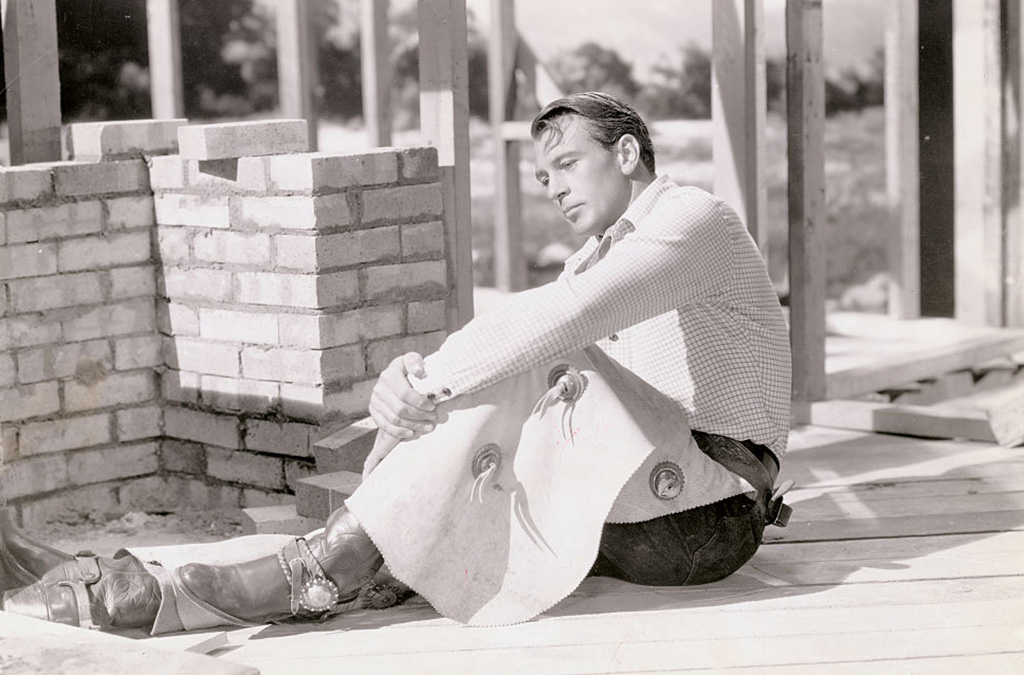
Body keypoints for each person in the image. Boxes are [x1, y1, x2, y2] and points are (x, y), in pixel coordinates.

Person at [1, 92, 792, 633]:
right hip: (646, 506)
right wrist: (405, 388)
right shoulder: (595, 255)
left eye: (566, 166)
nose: (551, 188)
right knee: (508, 373)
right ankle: (202, 579)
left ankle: (312, 569)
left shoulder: (693, 220)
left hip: (713, 511)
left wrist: (424, 387)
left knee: (531, 356)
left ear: (626, 152)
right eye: (541, 176)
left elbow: (559, 323)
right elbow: (533, 334)